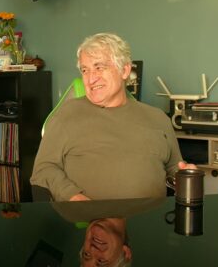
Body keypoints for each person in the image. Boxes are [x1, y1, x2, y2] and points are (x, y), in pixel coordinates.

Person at [31, 33, 194, 201]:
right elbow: (43, 169)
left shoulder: (158, 118)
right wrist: (73, 197)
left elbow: (174, 168)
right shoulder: (68, 114)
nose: (91, 78)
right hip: (88, 222)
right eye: (85, 70)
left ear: (124, 70)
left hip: (148, 222)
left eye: (99, 67)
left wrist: (184, 176)